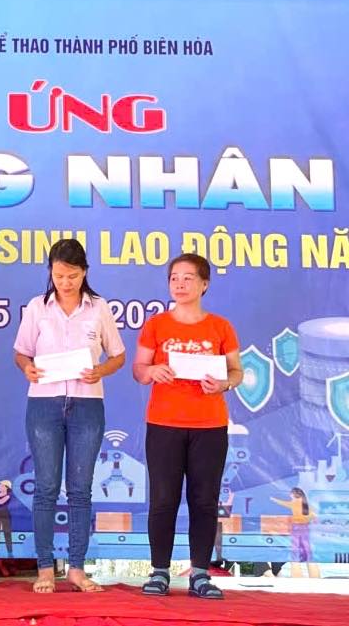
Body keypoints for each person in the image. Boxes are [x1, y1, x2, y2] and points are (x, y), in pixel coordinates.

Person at [14, 238, 125, 594]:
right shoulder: (37, 307)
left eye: (73, 275)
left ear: (84, 273)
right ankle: (45, 568)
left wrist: (101, 371)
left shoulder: (99, 308)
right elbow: (21, 353)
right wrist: (27, 368)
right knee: (46, 487)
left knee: (80, 489)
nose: (66, 282)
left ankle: (77, 568)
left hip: (87, 404)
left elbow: (118, 355)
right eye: (60, 275)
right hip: (44, 404)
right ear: (51, 272)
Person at [132, 253, 243, 600]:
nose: (179, 284)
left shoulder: (220, 326)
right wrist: (152, 372)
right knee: (163, 499)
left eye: (188, 278)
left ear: (204, 284)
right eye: (174, 278)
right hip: (164, 424)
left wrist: (223, 383)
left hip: (209, 425)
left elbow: (236, 372)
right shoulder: (157, 325)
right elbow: (138, 368)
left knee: (204, 500)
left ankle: (200, 573)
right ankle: (159, 571)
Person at [271, 487, 319, 578]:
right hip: (305, 528)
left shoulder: (294, 504)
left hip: (296, 528)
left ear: (294, 494)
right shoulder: (308, 505)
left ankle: (298, 583)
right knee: (309, 554)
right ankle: (316, 582)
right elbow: (315, 519)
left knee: (295, 553)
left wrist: (273, 499)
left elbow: (282, 503)